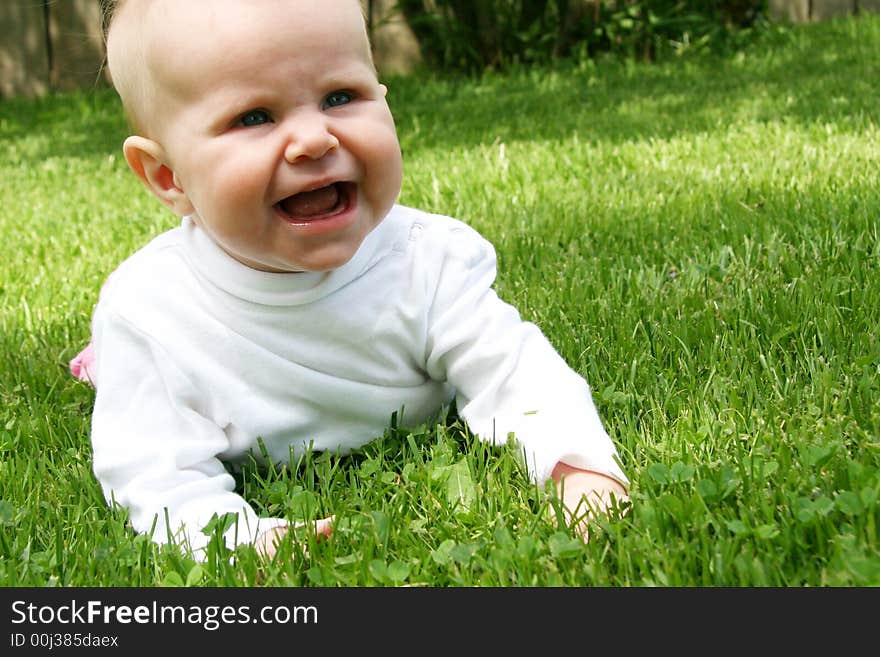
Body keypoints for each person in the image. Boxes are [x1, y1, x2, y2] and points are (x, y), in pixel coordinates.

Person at [75, 0, 630, 559]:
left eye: (340, 97)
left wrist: (575, 468)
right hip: (158, 340)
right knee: (133, 381)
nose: (315, 139)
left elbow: (513, 372)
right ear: (168, 176)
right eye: (254, 117)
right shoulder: (154, 313)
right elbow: (152, 470)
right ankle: (106, 365)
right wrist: (237, 539)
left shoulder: (424, 261)